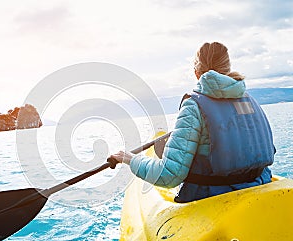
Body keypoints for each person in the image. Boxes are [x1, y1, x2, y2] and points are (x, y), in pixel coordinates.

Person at [110, 42, 275, 203]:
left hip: (213, 199)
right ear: (228, 69)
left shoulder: (193, 107)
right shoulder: (250, 100)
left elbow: (168, 176)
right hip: (261, 189)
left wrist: (130, 159)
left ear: (196, 73)